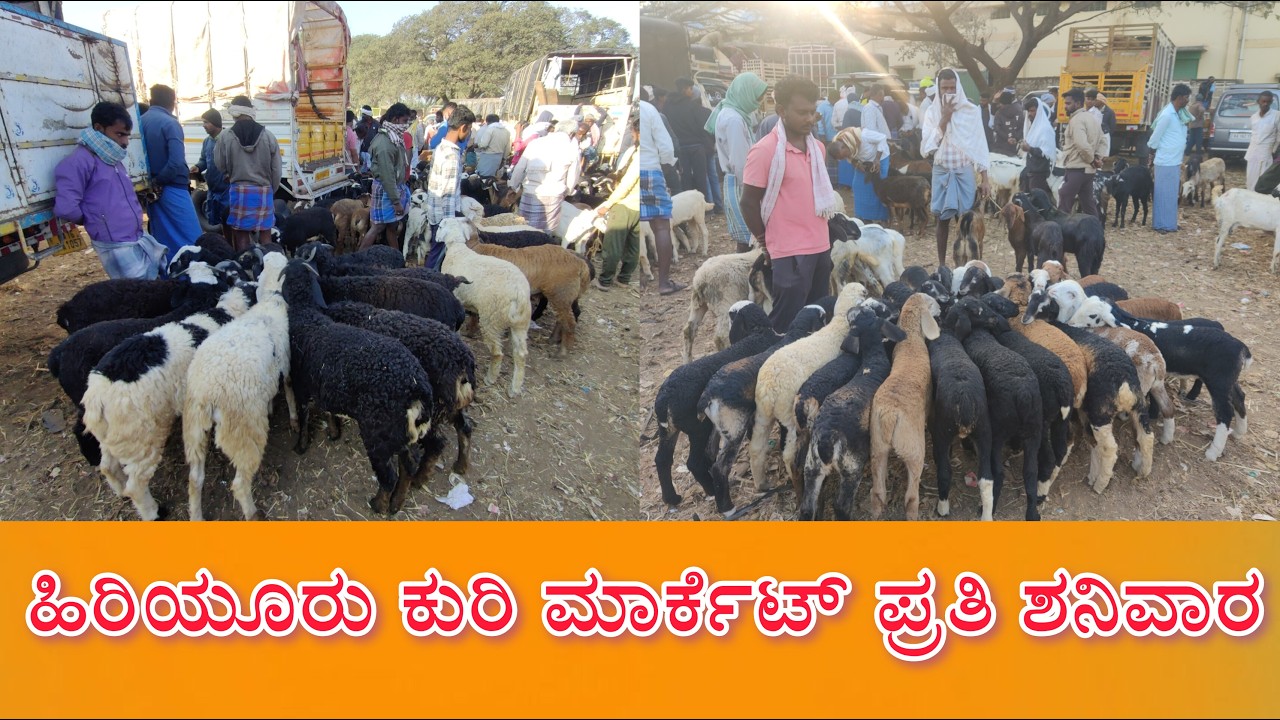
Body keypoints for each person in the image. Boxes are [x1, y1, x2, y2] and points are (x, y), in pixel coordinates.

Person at [740, 76, 841, 333]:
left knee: (817, 317)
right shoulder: (765, 151)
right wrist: (766, 243)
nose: (809, 119)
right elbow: (748, 203)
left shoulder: (818, 149)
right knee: (786, 323)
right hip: (788, 251)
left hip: (820, 246)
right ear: (782, 111)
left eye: (813, 112)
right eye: (802, 112)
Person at [55, 101, 168, 279]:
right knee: (137, 296)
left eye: (127, 136)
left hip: (135, 236)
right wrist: (95, 219)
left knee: (153, 286)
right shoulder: (78, 162)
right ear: (99, 128)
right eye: (120, 134)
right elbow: (66, 208)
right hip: (115, 243)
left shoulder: (112, 158)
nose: (125, 142)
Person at [921, 67, 991, 268]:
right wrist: (945, 117)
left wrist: (985, 178)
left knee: (967, 220)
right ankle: (943, 265)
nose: (949, 92)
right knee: (941, 219)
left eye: (952, 87)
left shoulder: (970, 110)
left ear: (958, 86)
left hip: (964, 170)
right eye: (945, 88)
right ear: (938, 88)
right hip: (942, 169)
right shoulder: (932, 112)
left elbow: (979, 145)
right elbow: (928, 147)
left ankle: (969, 266)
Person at [707, 72, 768, 253]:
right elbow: (740, 161)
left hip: (737, 181)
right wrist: (753, 192)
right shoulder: (733, 119)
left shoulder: (732, 113)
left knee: (746, 237)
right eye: (756, 98)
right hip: (742, 183)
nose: (758, 103)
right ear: (745, 94)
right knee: (749, 237)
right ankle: (744, 276)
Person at [214, 95, 282, 252]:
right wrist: (272, 189)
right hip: (263, 189)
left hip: (239, 190)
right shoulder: (268, 136)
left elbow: (219, 163)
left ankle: (245, 268)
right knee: (266, 234)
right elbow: (277, 169)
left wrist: (228, 173)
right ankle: (268, 267)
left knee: (241, 235)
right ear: (251, 111)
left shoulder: (225, 136)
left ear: (234, 113)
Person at [139, 84, 200, 256]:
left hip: (152, 190)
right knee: (191, 237)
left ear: (151, 100)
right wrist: (159, 181)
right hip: (172, 187)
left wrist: (153, 183)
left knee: (163, 237)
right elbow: (176, 162)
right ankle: (190, 277)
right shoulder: (170, 123)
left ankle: (168, 276)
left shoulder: (141, 121)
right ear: (172, 102)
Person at [421, 105, 476, 270]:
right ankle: (430, 286)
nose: (469, 133)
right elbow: (449, 192)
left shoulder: (440, 148)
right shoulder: (452, 155)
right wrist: (451, 223)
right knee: (439, 257)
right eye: (469, 129)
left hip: (434, 211)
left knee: (435, 251)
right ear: (463, 128)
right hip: (444, 218)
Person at [640, 97, 686, 295]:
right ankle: (664, 283)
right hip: (650, 169)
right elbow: (666, 147)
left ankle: (640, 282)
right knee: (661, 227)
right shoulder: (648, 109)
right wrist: (666, 166)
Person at [361, 103, 415, 253]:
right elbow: (387, 176)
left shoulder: (392, 137)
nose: (406, 125)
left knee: (391, 226)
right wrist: (396, 201)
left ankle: (396, 260)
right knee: (378, 226)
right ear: (396, 119)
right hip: (386, 188)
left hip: (391, 187)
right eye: (405, 121)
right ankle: (357, 260)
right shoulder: (385, 143)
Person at [595, 116, 640, 291]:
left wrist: (609, 203)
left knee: (613, 244)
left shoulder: (640, 155)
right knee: (634, 246)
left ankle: (605, 280)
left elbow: (628, 183)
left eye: (633, 132)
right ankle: (624, 278)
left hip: (626, 204)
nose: (632, 135)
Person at [509, 123, 580, 235]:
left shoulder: (536, 143)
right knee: (544, 231)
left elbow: (520, 167)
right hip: (553, 195)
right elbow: (573, 177)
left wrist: (513, 186)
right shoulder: (571, 148)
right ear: (571, 134)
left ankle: (521, 250)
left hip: (530, 192)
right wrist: (567, 192)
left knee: (522, 227)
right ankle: (540, 250)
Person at [1146, 84, 1193, 233]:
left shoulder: (1180, 114)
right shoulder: (1167, 115)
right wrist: (1152, 154)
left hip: (1174, 160)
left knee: (1172, 195)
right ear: (1179, 98)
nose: (1187, 101)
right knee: (1162, 194)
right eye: (1186, 98)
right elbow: (1154, 138)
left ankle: (1170, 223)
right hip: (1165, 160)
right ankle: (1160, 224)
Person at [666, 77, 713, 208]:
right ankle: (702, 208)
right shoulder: (692, 106)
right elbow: (702, 126)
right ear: (684, 89)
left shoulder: (668, 107)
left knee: (685, 179)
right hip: (696, 147)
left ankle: (686, 208)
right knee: (700, 179)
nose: (692, 92)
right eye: (690, 89)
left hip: (680, 148)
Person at [1057, 88, 1103, 218]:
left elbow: (1081, 145)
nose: (1065, 106)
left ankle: (1060, 235)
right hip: (1088, 171)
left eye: (1068, 103)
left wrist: (1092, 160)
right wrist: (1098, 158)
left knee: (1064, 202)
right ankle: (1096, 232)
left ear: (1077, 104)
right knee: (1088, 204)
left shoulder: (1077, 120)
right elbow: (1103, 140)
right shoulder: (1092, 118)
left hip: (1077, 168)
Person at [849, 84, 891, 221]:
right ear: (877, 94)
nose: (883, 97)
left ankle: (880, 216)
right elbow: (871, 132)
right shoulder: (869, 109)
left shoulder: (876, 108)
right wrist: (875, 157)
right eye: (882, 94)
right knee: (866, 186)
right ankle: (865, 216)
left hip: (881, 151)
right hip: (873, 153)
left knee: (880, 186)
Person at [191, 108, 231, 242]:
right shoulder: (207, 141)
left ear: (215, 123)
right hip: (212, 190)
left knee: (228, 222)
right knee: (213, 222)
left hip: (227, 190)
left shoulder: (229, 139)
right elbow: (204, 160)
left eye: (206, 122)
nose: (203, 125)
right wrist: (198, 167)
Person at [1020, 96, 1056, 196]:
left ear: (1039, 111)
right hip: (1030, 170)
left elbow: (1045, 153)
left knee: (1037, 203)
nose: (1030, 114)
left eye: (1032, 111)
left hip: (1039, 173)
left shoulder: (1045, 129)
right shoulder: (1033, 128)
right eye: (1029, 111)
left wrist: (1029, 149)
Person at [1246, 91, 1280, 193]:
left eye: (1268, 102)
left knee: (1263, 181)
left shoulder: (1277, 115)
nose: (1265, 104)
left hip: (1266, 153)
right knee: (1250, 179)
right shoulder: (1254, 117)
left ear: (1271, 102)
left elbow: (1279, 135)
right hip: (1252, 153)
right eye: (1263, 101)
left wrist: (1274, 150)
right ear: (1258, 102)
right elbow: (1254, 135)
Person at [474, 113, 511, 178]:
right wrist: (503, 159)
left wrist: (476, 145)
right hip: (499, 157)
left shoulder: (490, 129)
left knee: (483, 177)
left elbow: (483, 144)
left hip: (488, 156)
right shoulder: (506, 131)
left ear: (487, 122)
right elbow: (507, 148)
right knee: (492, 177)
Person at [990, 88, 1024, 157]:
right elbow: (1022, 128)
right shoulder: (1019, 110)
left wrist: (1007, 138)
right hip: (1014, 147)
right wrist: (1015, 138)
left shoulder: (999, 112)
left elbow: (997, 128)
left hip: (1000, 147)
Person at [1085, 89, 1116, 158]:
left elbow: (1112, 126)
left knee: (1102, 156)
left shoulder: (1109, 112)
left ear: (1102, 101)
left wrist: (1104, 133)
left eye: (1096, 100)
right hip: (1092, 137)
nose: (1094, 102)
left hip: (1104, 135)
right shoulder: (1091, 111)